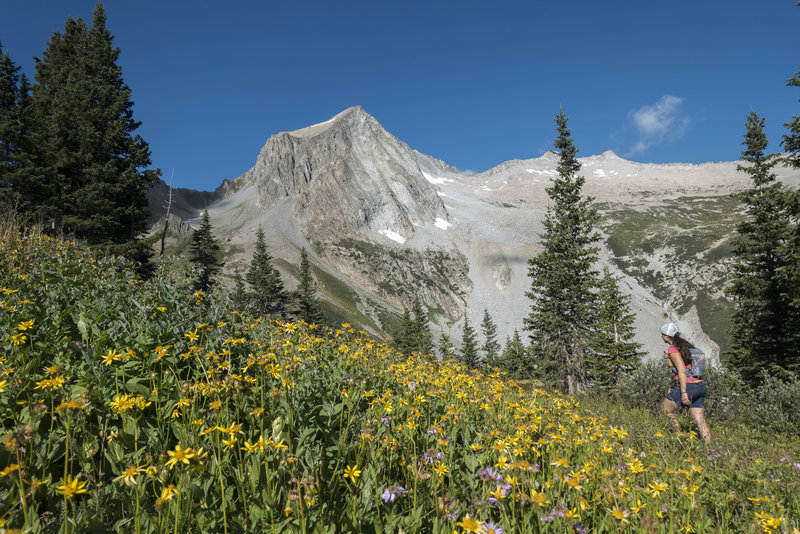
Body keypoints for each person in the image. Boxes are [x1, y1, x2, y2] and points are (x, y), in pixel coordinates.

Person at [659, 322, 711, 442]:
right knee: (700, 420)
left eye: (662, 334)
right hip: (699, 385)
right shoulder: (686, 346)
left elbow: (681, 371)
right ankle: (709, 448)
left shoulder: (673, 349)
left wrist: (683, 392)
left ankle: (678, 438)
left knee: (666, 410)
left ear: (667, 336)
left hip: (688, 386)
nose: (661, 336)